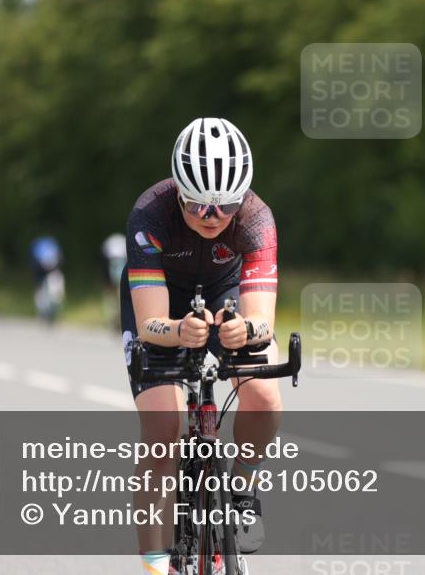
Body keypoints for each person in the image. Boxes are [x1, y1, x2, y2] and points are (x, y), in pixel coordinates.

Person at [121, 118, 279, 575]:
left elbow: (262, 322)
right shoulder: (150, 214)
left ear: (242, 197)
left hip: (224, 291)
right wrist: (179, 333)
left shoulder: (256, 219)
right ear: (177, 193)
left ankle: (244, 490)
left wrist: (243, 331)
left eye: (224, 206)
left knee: (264, 395)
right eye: (196, 206)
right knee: (163, 429)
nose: (211, 218)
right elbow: (151, 322)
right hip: (161, 301)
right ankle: (155, 566)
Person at [30, 236, 65, 325]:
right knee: (41, 293)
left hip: (52, 272)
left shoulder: (50, 249)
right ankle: (43, 312)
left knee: (55, 293)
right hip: (41, 273)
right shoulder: (41, 250)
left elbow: (61, 260)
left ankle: (52, 311)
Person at [102, 233, 127, 330]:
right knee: (118, 296)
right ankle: (118, 319)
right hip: (119, 271)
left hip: (111, 271)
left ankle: (115, 319)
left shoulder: (109, 244)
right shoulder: (122, 241)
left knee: (113, 298)